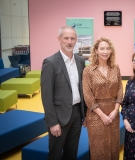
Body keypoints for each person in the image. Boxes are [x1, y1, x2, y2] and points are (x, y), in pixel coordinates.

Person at [41, 26, 86, 160]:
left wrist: (85, 114)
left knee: (71, 153)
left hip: (77, 114)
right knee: (55, 154)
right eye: (66, 38)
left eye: (72, 38)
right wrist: (52, 122)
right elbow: (46, 96)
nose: (69, 42)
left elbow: (82, 89)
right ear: (59, 39)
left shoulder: (80, 61)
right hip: (59, 117)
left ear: (76, 40)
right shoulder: (50, 62)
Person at [82, 37, 123, 160]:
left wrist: (116, 110)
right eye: (102, 49)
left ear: (111, 51)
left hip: (113, 113)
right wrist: (102, 115)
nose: (105, 51)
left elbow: (120, 88)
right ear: (96, 51)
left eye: (107, 48)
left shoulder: (115, 67)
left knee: (113, 146)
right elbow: (87, 94)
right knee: (98, 148)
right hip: (95, 114)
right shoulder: (88, 70)